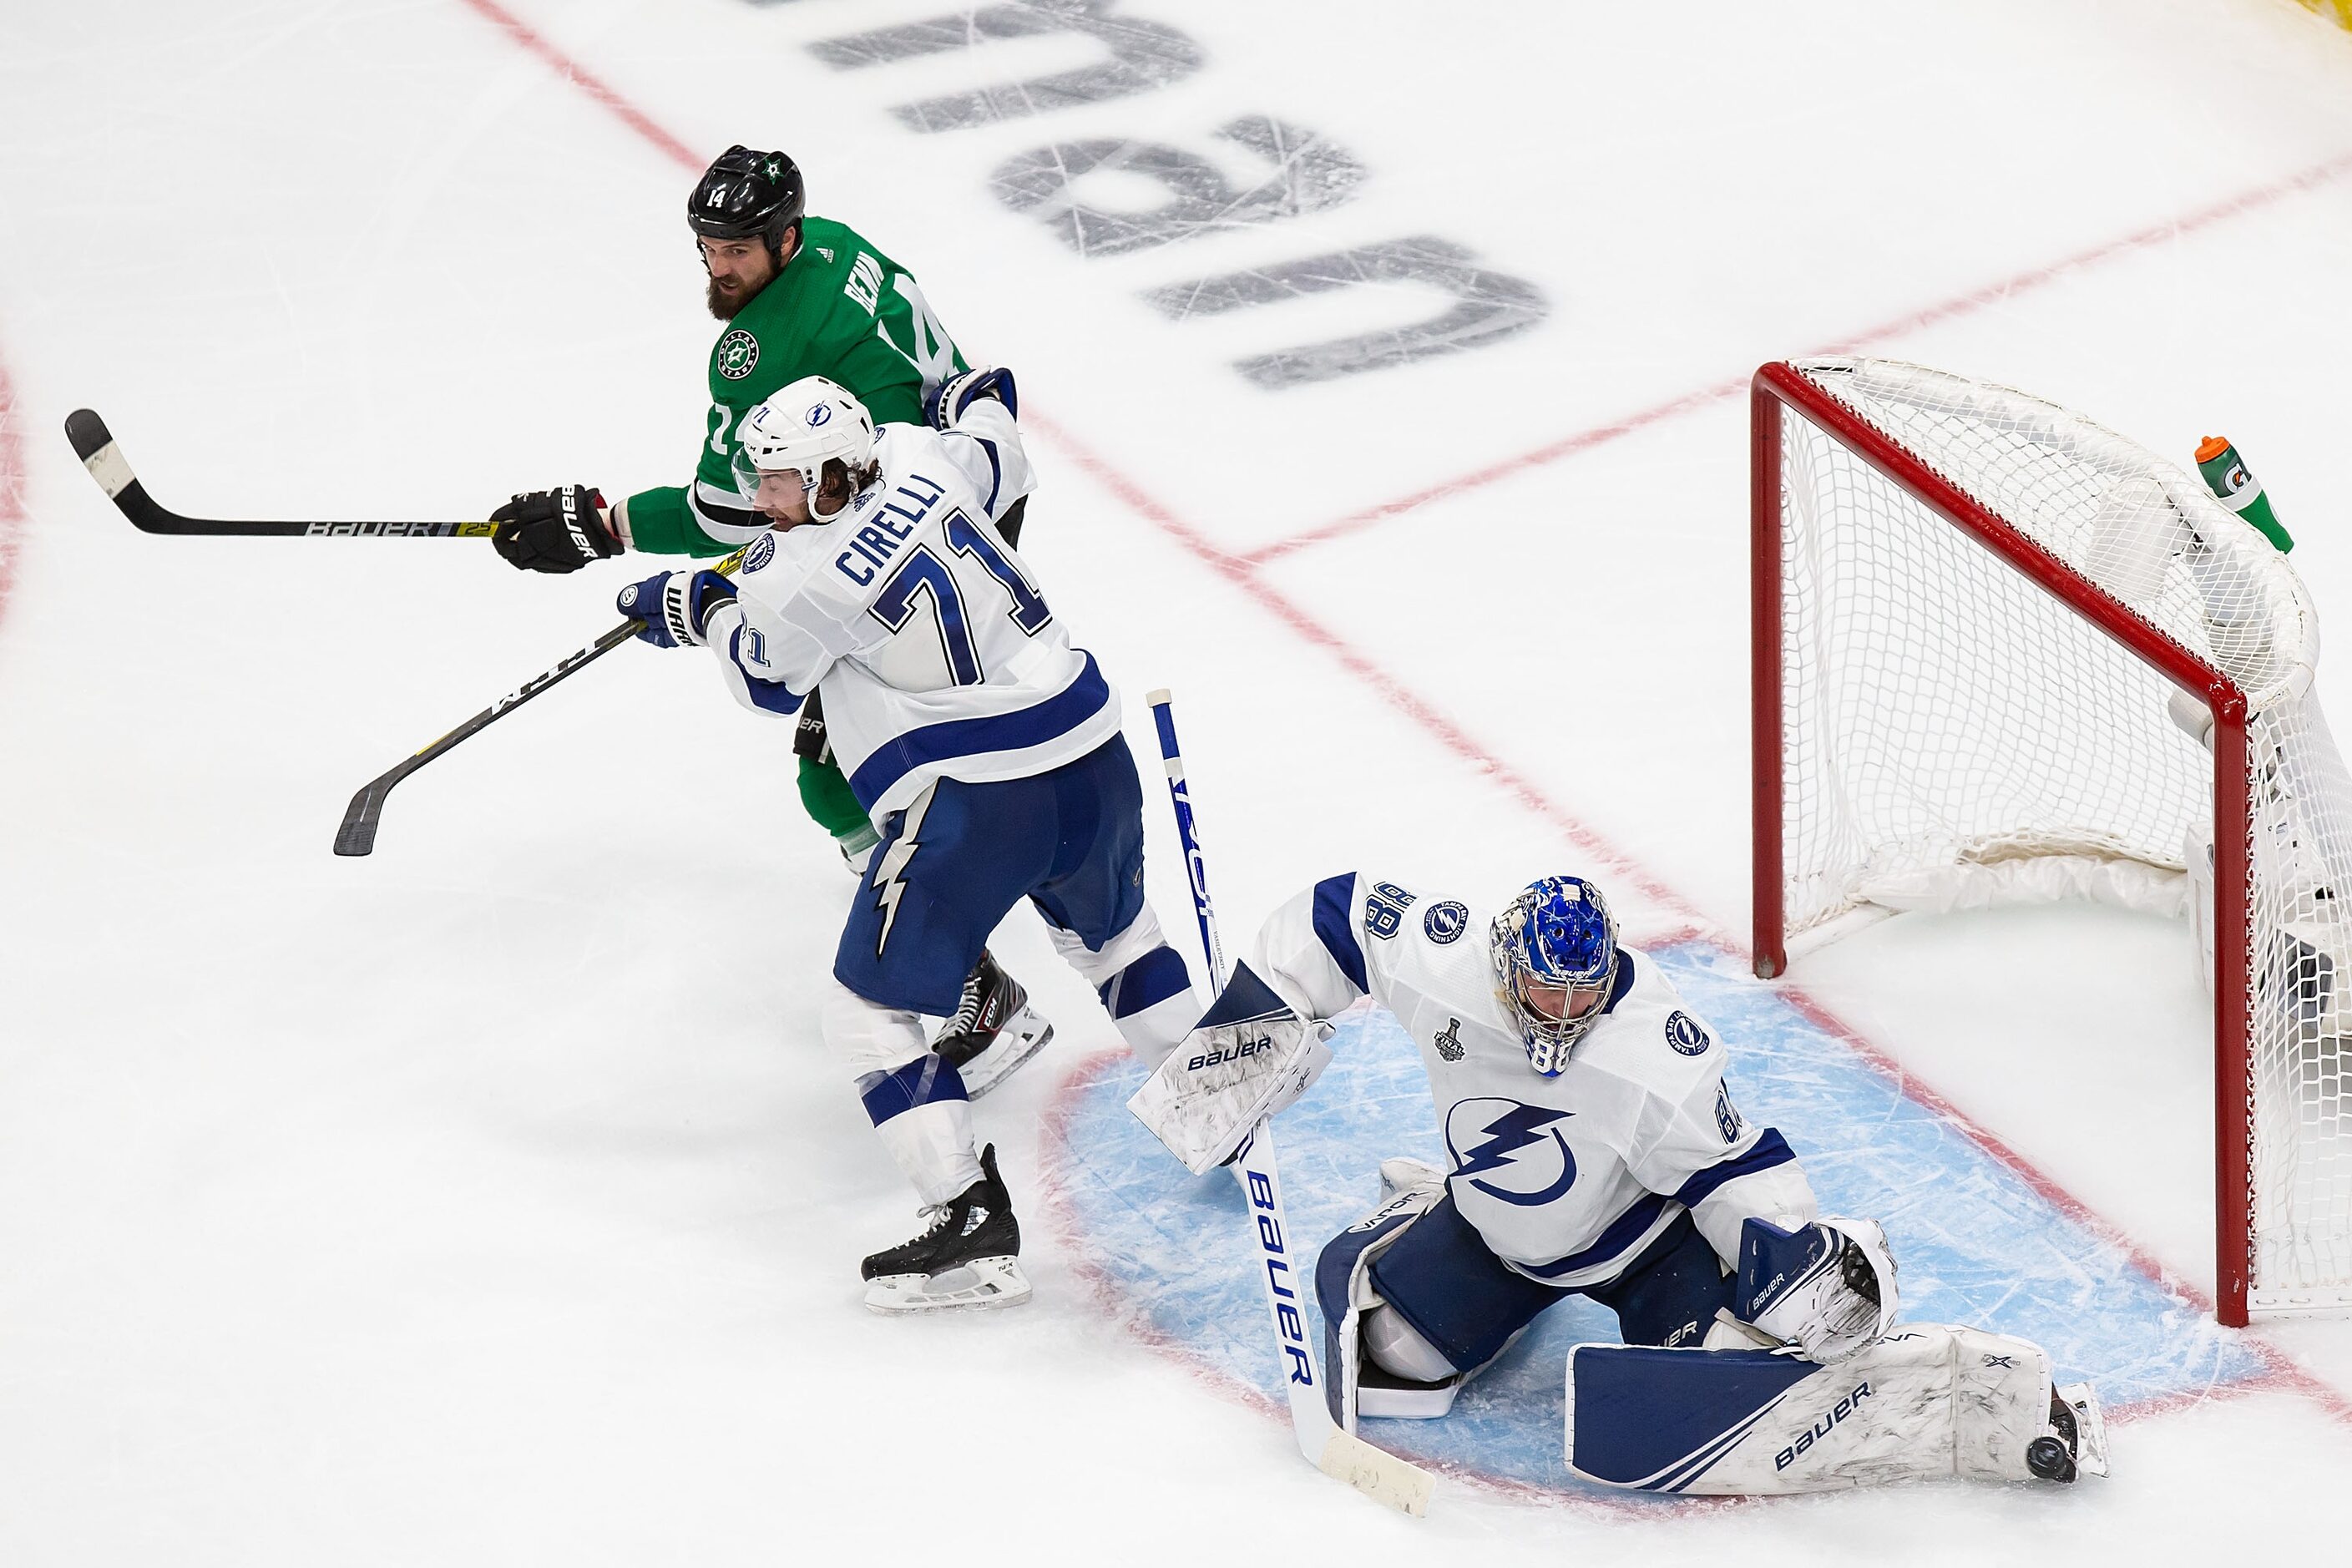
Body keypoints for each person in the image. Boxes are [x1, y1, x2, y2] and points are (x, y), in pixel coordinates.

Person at [1130, 873, 2107, 1491]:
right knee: (1397, 1360)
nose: (1563, 1012)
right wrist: (1252, 1030)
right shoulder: (1447, 957)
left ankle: (1952, 1392)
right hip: (1496, 1233)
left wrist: (1793, 1255)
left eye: (1581, 995)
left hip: (1647, 1246)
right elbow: (1332, 917)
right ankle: (1426, 1212)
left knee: (1735, 1378)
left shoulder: (1655, 1049)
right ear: (1506, 964)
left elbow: (1735, 1161)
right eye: (1546, 990)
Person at [611, 368, 1202, 1313]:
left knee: (865, 1014)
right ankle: (1215, 1095)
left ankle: (966, 1213)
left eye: (779, 485)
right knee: (1120, 942)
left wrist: (694, 609)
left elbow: (769, 680)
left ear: (837, 479)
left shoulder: (794, 575)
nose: (762, 502)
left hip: (978, 802)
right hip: (1094, 754)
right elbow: (994, 429)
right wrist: (965, 395)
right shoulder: (931, 463)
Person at [481, 144, 1048, 1095]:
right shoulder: (832, 243)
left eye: (738, 250)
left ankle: (979, 998)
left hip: (885, 547)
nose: (719, 266)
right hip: (960, 498)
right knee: (932, 738)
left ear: (782, 238)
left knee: (839, 783)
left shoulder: (759, 352)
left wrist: (609, 527)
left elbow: (729, 515)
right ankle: (961, 867)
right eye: (708, 246)